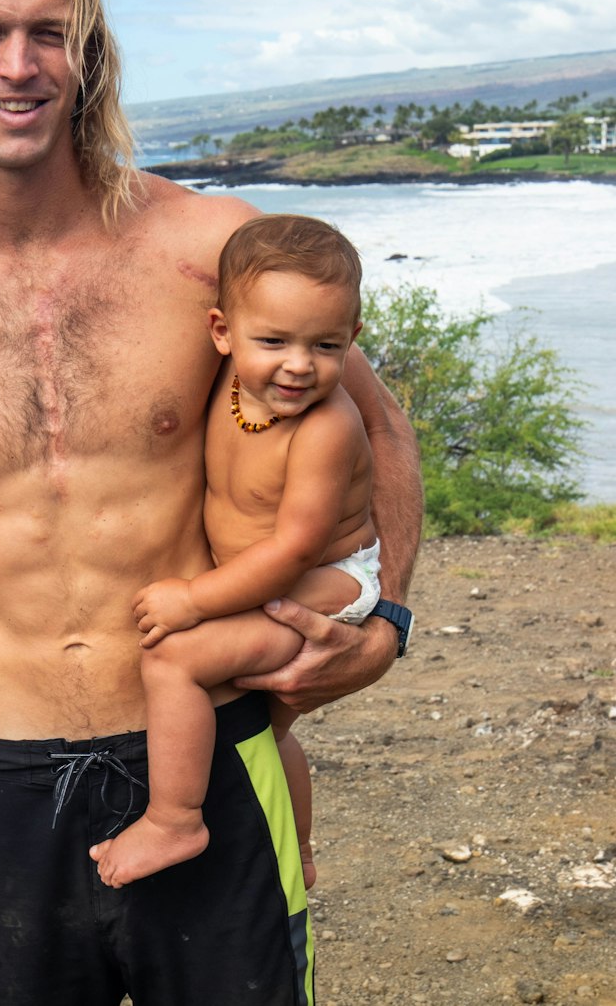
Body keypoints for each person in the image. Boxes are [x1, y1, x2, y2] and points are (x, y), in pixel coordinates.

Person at [0, 0, 422, 1006]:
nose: (17, 64)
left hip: (209, 750)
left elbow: (377, 425)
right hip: (0, 781)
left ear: (89, 54)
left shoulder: (210, 249)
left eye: (48, 32)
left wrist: (384, 620)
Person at [91, 214, 377, 892]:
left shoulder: (325, 427)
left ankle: (175, 819)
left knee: (175, 659)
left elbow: (294, 547)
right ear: (223, 333)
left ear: (353, 340)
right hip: (276, 573)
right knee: (270, 731)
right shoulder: (231, 388)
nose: (300, 365)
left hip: (328, 581)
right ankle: (299, 852)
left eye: (326, 345)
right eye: (274, 340)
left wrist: (193, 600)